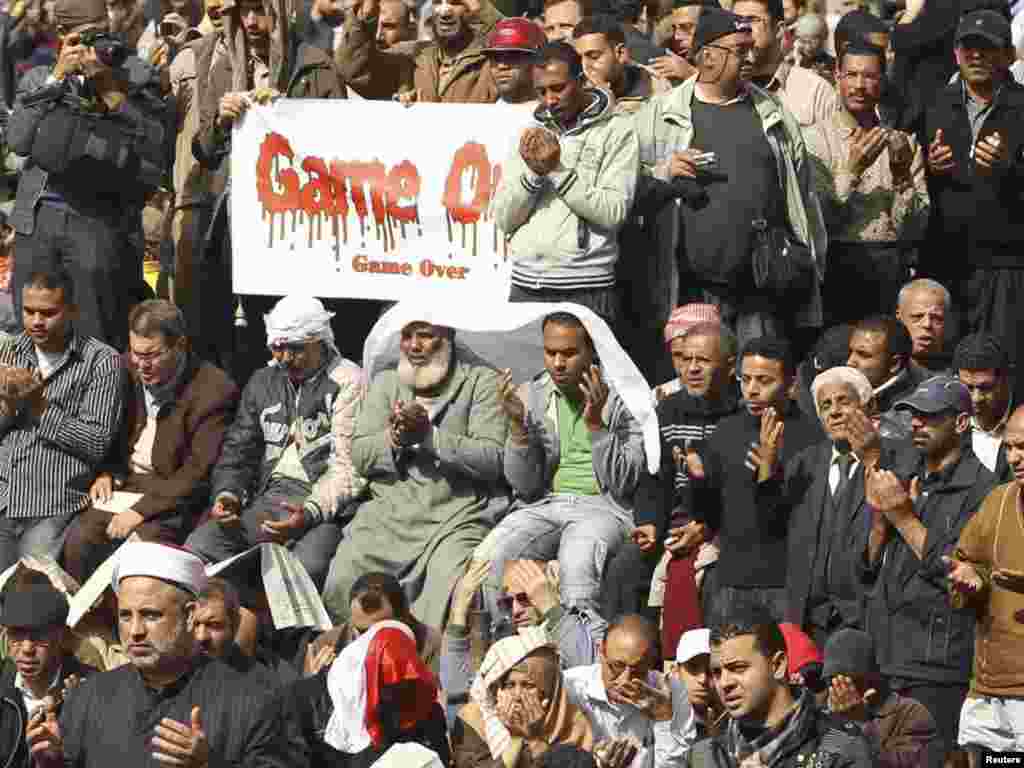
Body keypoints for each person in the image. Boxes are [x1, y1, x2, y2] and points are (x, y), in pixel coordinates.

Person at [635, 8, 827, 351]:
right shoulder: (661, 115)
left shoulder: (773, 114)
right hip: (693, 292)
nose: (751, 56)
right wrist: (664, 172)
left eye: (751, 47)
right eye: (739, 50)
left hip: (763, 292)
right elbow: (626, 186)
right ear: (707, 56)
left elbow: (804, 200)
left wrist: (812, 268)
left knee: (758, 387)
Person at [26, 541, 295, 767]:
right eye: (125, 616)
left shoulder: (253, 699)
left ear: (190, 615)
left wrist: (209, 764)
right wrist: (53, 762)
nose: (135, 631)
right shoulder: (89, 697)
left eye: (150, 615)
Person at [189, 0, 348, 379]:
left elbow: (342, 143)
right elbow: (204, 150)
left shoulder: (315, 64)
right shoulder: (227, 66)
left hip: (299, 223)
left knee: (295, 325)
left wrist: (288, 114)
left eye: (261, 11)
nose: (252, 22)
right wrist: (222, 121)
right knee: (240, 329)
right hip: (236, 220)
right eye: (243, 12)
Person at [321, 321, 508, 631]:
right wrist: (394, 438)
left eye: (425, 336)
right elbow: (361, 454)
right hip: (390, 511)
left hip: (456, 513)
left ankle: (427, 671)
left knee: (448, 588)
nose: (413, 346)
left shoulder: (482, 382)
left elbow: (492, 460)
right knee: (344, 577)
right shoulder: (387, 381)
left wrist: (429, 437)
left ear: (448, 337)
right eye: (407, 336)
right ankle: (356, 667)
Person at [6, 0, 168, 351]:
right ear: (64, 37)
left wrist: (111, 91)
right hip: (38, 221)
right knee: (32, 336)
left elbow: (155, 147)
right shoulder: (38, 77)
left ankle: (98, 404)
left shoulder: (135, 74)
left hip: (99, 221)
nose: (98, 43)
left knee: (96, 337)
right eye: (86, 36)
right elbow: (18, 140)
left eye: (103, 31)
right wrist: (57, 78)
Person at [860, 375, 997, 762]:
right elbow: (866, 569)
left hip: (937, 668)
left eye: (930, 416)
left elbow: (960, 570)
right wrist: (880, 524)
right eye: (912, 416)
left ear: (960, 423)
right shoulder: (905, 476)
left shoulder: (983, 490)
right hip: (887, 658)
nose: (917, 424)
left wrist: (903, 517)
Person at [185, 296, 365, 589]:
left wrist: (308, 514)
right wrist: (228, 494)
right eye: (277, 348)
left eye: (295, 349)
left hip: (323, 505)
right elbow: (239, 450)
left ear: (319, 341)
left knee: (305, 569)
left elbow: (349, 470)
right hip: (269, 496)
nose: (284, 358)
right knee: (200, 548)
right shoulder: (264, 381)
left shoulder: (348, 381)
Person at [61, 300, 239, 583]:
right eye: (136, 353)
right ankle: (82, 622)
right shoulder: (122, 368)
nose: (142, 364)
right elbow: (106, 429)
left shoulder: (214, 389)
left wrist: (140, 512)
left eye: (153, 355)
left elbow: (197, 471)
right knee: (79, 540)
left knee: (141, 556)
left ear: (180, 345)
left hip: (173, 497)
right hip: (126, 484)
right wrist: (107, 470)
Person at [484, 312, 644, 618]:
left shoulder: (624, 396)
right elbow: (524, 485)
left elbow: (624, 481)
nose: (558, 363)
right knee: (489, 558)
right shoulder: (532, 394)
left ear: (592, 351)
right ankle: (504, 649)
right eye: (550, 352)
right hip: (544, 504)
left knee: (578, 568)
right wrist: (518, 427)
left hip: (603, 508)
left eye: (569, 353)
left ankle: (580, 658)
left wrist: (596, 424)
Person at [492, 42, 639, 327]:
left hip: (587, 284)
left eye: (558, 88)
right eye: (541, 91)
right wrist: (533, 175)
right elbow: (503, 218)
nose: (549, 99)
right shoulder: (528, 130)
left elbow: (613, 213)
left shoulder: (618, 129)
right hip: (527, 283)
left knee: (586, 372)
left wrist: (555, 171)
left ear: (581, 81)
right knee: (527, 372)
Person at [683, 337, 823, 624]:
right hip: (731, 579)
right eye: (745, 379)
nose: (752, 390)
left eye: (764, 380)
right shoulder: (727, 430)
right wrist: (697, 479)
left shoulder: (811, 439)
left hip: (785, 583)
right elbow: (709, 515)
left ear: (791, 384)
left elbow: (793, 521)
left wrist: (768, 474)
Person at [0, 269, 123, 572]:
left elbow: (96, 443)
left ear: (71, 311)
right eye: (29, 311)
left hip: (51, 502)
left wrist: (38, 405)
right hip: (3, 493)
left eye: (48, 312)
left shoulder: (100, 361)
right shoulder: (10, 350)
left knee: (31, 597)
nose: (36, 321)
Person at [922, 10, 1024, 372]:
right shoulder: (935, 103)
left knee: (998, 366)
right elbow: (917, 181)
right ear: (955, 54)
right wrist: (930, 168)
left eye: (988, 48)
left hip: (1005, 266)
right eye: (969, 47)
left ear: (1009, 56)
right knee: (946, 366)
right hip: (947, 259)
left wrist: (1008, 170)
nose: (976, 56)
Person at [806, 43, 929, 327]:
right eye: (851, 75)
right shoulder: (815, 140)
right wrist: (852, 170)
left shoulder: (904, 143)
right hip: (835, 264)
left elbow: (915, 229)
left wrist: (901, 177)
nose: (859, 86)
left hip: (888, 266)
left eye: (870, 76)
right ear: (837, 76)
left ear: (883, 79)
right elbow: (818, 219)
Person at [634, 320, 739, 649]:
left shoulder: (742, 415)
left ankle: (697, 663)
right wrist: (649, 522)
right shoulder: (667, 411)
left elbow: (740, 493)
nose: (692, 369)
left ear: (729, 366)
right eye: (686, 360)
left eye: (704, 361)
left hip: (724, 525)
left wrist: (706, 527)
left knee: (708, 575)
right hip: (675, 521)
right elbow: (655, 478)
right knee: (626, 568)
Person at [776, 366, 888, 646]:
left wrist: (875, 459)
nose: (834, 412)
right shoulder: (805, 462)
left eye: (843, 401)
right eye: (826, 406)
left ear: (867, 406)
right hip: (809, 617)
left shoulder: (895, 455)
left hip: (865, 613)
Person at [687, 606, 874, 768]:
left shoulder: (839, 745)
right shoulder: (706, 756)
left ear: (778, 665)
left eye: (738, 668)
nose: (725, 683)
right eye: (717, 672)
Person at [946, 405, 1024, 759]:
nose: (1015, 458)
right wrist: (970, 581)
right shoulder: (998, 500)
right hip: (990, 689)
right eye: (1009, 448)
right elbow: (966, 564)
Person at [443, 559, 605, 725]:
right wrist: (458, 614)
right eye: (507, 602)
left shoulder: (584, 626)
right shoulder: (503, 637)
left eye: (525, 598)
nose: (515, 610)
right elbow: (456, 694)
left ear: (549, 590)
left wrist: (551, 607)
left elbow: (588, 674)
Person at [291, 619, 449, 768]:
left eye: (399, 684)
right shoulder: (309, 702)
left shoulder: (426, 713)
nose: (389, 695)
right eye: (383, 680)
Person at [563, 614, 696, 768]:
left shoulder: (671, 693)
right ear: (601, 652)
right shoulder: (571, 687)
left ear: (651, 663)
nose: (625, 680)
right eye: (617, 666)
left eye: (638, 671)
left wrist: (664, 720)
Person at [452, 632, 595, 768]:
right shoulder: (475, 719)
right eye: (509, 685)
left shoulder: (573, 725)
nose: (517, 696)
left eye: (528, 685)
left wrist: (535, 740)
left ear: (549, 691)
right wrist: (515, 739)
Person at [822, 628, 939, 768]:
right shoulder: (824, 715)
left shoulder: (910, 714)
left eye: (849, 681)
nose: (840, 689)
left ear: (872, 677)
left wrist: (860, 723)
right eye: (832, 681)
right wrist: (835, 724)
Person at [305, 572, 443, 675]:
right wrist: (318, 687)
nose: (369, 640)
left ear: (404, 618)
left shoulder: (430, 644)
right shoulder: (327, 646)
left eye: (380, 630)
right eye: (362, 631)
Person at [731, 0, 839, 128]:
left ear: (778, 30)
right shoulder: (719, 89)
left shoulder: (815, 93)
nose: (742, 28)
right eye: (736, 21)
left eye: (752, 20)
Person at [398, 0, 502, 103]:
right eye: (437, 2)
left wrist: (479, 8)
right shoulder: (418, 55)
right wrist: (404, 100)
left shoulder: (489, 57)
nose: (444, 13)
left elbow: (507, 32)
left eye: (455, 3)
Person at [846, 314, 919, 439]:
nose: (849, 362)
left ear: (894, 363)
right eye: (850, 352)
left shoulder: (910, 415)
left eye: (863, 355)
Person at [573, 14, 663, 112]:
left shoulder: (656, 89)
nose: (585, 66)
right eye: (578, 59)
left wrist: (608, 106)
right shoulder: (574, 94)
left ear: (620, 53)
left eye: (594, 57)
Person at [953, 333, 1014, 477]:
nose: (975, 398)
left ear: (1006, 379)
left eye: (986, 388)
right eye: (968, 387)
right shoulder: (948, 423)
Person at [334, 0, 418, 100]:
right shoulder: (370, 69)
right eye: (373, 27)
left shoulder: (423, 60)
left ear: (411, 31)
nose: (378, 36)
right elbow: (351, 70)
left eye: (388, 26)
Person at [674, 629, 725, 739]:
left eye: (713, 670)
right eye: (693, 667)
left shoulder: (733, 722)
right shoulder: (663, 721)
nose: (703, 679)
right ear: (676, 671)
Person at [483, 17, 545, 105]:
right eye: (495, 58)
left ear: (538, 61)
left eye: (512, 56)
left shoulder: (558, 115)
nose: (502, 66)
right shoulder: (482, 114)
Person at [896, 278, 952, 375]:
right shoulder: (879, 374)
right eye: (917, 316)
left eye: (937, 318)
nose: (927, 324)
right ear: (899, 317)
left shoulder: (961, 380)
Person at [790, 14, 834, 84]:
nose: (808, 47)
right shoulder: (789, 62)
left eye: (813, 40)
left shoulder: (832, 64)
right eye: (803, 41)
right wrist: (797, 63)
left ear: (824, 37)